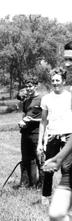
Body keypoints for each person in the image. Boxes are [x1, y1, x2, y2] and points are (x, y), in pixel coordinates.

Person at [41, 41, 72, 221]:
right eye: (66, 59)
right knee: (57, 215)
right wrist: (59, 158)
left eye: (70, 59)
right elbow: (44, 121)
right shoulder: (48, 98)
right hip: (58, 141)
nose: (67, 64)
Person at [37, 65, 72, 206]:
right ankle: (46, 196)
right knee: (48, 168)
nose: (55, 83)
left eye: (58, 80)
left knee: (67, 169)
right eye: (53, 80)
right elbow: (43, 122)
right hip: (51, 136)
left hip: (68, 136)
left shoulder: (70, 97)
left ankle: (66, 199)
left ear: (63, 80)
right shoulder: (46, 99)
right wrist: (40, 143)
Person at [17, 78, 42, 188]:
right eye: (27, 86)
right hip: (25, 133)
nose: (28, 88)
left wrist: (30, 120)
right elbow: (25, 114)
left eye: (30, 86)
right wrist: (23, 121)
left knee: (40, 160)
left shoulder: (42, 99)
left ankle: (42, 186)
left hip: (37, 133)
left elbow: (45, 118)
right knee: (26, 159)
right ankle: (27, 184)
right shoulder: (27, 101)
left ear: (36, 86)